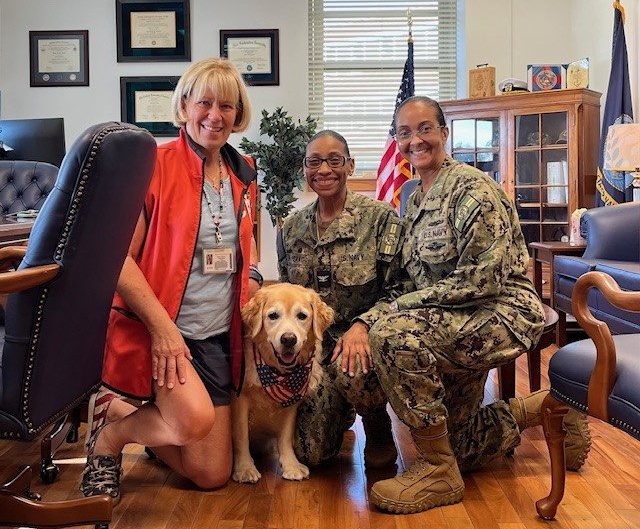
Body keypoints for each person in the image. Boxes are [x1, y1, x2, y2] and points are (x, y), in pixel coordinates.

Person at [355, 96, 591, 514]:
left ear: (444, 134)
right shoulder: (414, 196)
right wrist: (367, 317)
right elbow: (412, 279)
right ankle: (550, 407)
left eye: (425, 128)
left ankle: (436, 471)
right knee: (460, 443)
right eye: (405, 133)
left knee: (393, 336)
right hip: (451, 317)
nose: (416, 140)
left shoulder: (472, 189)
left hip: (500, 312)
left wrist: (398, 311)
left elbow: (482, 278)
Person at [80, 58, 263, 503]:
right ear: (184, 106)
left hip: (217, 335)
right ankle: (109, 439)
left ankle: (127, 410)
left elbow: (247, 241)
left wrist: (254, 278)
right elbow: (118, 260)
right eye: (204, 103)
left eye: (226, 105)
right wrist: (163, 331)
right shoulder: (154, 166)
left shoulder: (245, 173)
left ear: (238, 114)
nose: (215, 116)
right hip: (164, 332)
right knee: (193, 423)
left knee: (211, 473)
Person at [277, 130, 406, 468]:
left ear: (350, 166)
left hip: (362, 343)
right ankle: (338, 409)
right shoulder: (291, 229)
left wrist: (365, 325)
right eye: (314, 162)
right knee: (310, 455)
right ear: (304, 170)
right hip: (315, 349)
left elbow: (401, 290)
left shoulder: (380, 220)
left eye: (334, 160)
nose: (324, 170)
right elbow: (288, 295)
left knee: (354, 371)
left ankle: (375, 423)